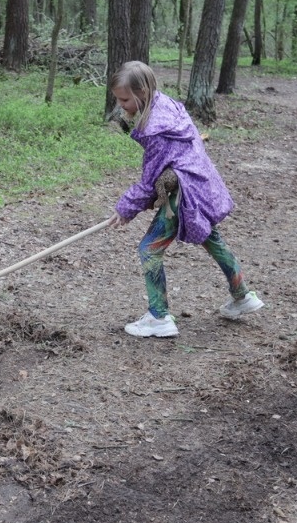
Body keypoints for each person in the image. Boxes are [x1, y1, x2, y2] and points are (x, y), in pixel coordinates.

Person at [108, 61, 264, 338]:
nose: (121, 106)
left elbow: (149, 181)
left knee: (149, 249)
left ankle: (159, 317)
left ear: (142, 91)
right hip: (201, 181)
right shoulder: (166, 105)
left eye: (124, 99)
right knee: (210, 238)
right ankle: (242, 296)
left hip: (185, 192)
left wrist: (125, 209)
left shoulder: (155, 130)